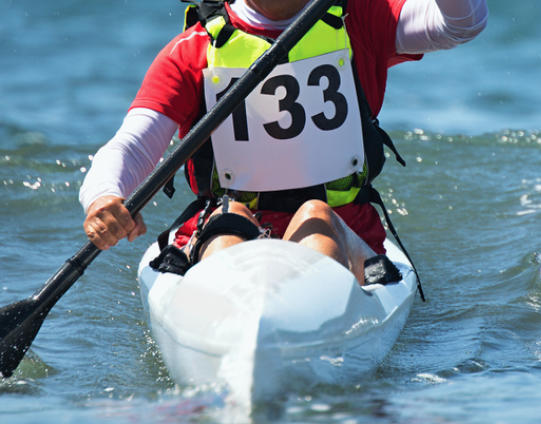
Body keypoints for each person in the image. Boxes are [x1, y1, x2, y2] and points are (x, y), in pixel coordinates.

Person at [79, 0, 487, 284]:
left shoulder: (363, 18)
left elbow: (461, 23)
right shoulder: (193, 51)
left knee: (316, 219)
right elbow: (131, 146)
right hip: (225, 232)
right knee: (227, 229)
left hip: (343, 231)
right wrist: (102, 197)